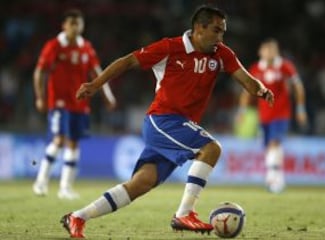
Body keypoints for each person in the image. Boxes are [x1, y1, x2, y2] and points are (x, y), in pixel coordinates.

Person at [60, 6, 274, 238]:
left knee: (141, 183)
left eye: (223, 32)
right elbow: (127, 61)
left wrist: (262, 91)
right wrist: (95, 85)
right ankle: (184, 213)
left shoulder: (221, 53)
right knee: (211, 148)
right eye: (216, 30)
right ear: (199, 28)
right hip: (162, 120)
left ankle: (78, 216)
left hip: (176, 127)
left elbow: (246, 78)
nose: (220, 37)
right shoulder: (170, 48)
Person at [33, 9, 116, 200]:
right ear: (64, 25)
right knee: (59, 140)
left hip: (79, 104)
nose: (75, 27)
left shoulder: (86, 47)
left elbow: (97, 72)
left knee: (73, 143)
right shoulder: (54, 46)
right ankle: (41, 182)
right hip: (59, 103)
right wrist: (40, 97)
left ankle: (65, 188)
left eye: (78, 23)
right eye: (71, 23)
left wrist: (108, 95)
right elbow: (40, 71)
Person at [237, 38, 307, 193]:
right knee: (270, 147)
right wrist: (241, 111)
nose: (269, 53)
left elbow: (298, 86)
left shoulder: (285, 66)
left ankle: (272, 179)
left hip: (281, 113)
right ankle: (278, 178)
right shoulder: (256, 68)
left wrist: (301, 108)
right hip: (264, 115)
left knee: (274, 143)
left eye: (272, 50)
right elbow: (246, 91)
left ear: (276, 52)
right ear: (260, 52)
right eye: (266, 50)